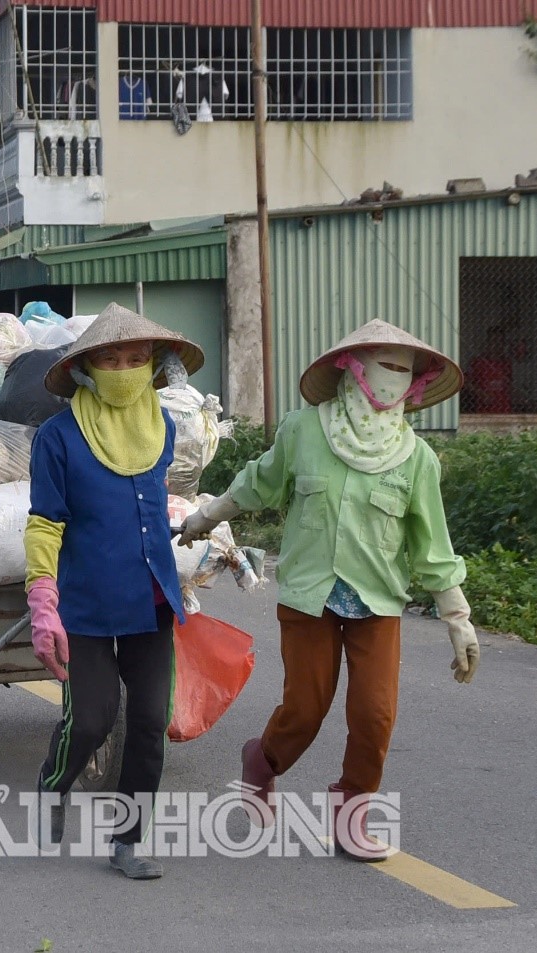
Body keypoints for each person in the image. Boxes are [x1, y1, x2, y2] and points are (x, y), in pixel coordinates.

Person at [180, 319, 480, 860]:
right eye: (384, 364)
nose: (394, 379)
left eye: (404, 371)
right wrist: (207, 517)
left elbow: (433, 547)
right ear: (353, 367)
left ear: (415, 384)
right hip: (309, 595)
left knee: (375, 713)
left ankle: (352, 808)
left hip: (377, 601)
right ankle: (263, 760)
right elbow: (258, 481)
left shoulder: (417, 459)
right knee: (307, 707)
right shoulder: (305, 431)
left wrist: (458, 620)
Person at [25, 302, 204, 880]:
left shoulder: (163, 427)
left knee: (151, 723)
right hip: (86, 605)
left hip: (151, 600)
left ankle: (128, 842)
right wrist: (42, 600)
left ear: (154, 366)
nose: (125, 368)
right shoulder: (57, 437)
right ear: (87, 367)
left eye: (136, 358)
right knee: (94, 720)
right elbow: (45, 522)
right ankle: (54, 781)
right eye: (111, 358)